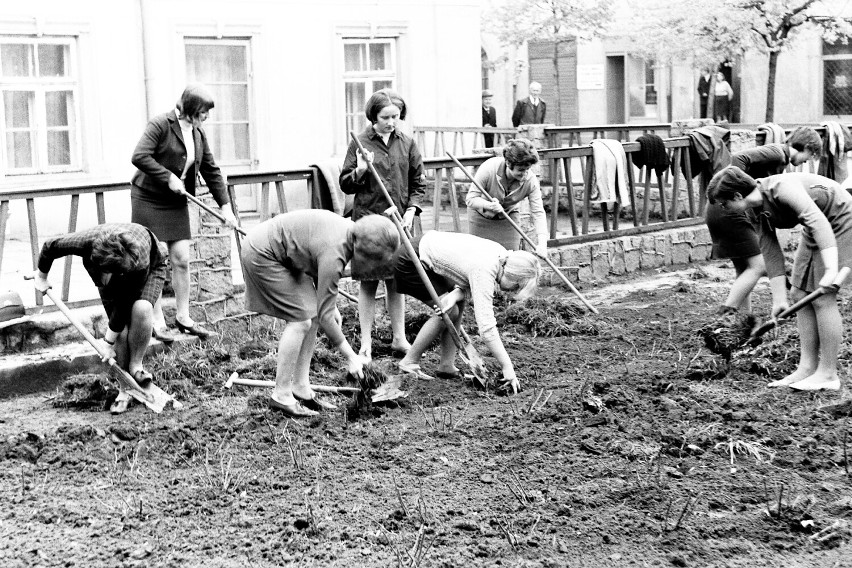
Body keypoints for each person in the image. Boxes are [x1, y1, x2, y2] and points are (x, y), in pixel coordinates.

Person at [240, 210, 399, 417]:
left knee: (312, 317)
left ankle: (300, 387)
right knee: (301, 322)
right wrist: (351, 357)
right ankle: (281, 395)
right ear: (361, 252)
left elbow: (316, 268)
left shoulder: (348, 233)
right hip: (263, 254)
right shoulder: (335, 252)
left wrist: (330, 306)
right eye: (374, 262)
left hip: (285, 254)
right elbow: (326, 317)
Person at [707, 167, 852, 391]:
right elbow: (769, 248)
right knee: (798, 293)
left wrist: (831, 269)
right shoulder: (752, 210)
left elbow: (817, 221)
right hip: (815, 227)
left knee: (823, 297)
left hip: (841, 218)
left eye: (724, 204)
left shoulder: (782, 188)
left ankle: (828, 374)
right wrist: (779, 300)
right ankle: (806, 368)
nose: (724, 209)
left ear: (737, 196)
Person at [130, 84, 237, 342]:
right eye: (203, 112)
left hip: (175, 201)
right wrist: (167, 176)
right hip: (149, 198)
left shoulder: (198, 133)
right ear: (189, 110)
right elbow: (139, 156)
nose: (206, 118)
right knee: (153, 262)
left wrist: (225, 208)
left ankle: (183, 316)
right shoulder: (161, 124)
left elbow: (210, 170)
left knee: (181, 259)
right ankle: (156, 320)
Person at [33, 223, 168, 414]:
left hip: (151, 267)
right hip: (108, 267)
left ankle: (136, 365)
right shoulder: (86, 242)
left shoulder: (139, 262)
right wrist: (41, 276)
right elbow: (50, 246)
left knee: (141, 308)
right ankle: (125, 387)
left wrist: (107, 342)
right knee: (120, 329)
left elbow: (122, 307)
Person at [340, 88, 427, 362]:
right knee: (368, 282)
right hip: (369, 222)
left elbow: (418, 182)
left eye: (396, 116)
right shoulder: (360, 142)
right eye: (386, 116)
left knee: (396, 281)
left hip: (399, 221)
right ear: (373, 116)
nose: (391, 122)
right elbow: (345, 183)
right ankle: (365, 343)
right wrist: (361, 170)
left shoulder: (408, 142)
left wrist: (412, 209)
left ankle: (399, 339)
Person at [395, 230, 539, 394]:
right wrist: (507, 366)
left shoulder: (502, 255)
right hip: (412, 260)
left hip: (424, 251)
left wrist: (456, 294)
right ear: (513, 276)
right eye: (516, 287)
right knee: (449, 312)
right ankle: (409, 362)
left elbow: (468, 281)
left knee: (456, 305)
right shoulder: (486, 268)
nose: (512, 292)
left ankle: (446, 365)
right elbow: (487, 329)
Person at [708, 127, 823, 312]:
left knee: (744, 268)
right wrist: (742, 188)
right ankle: (724, 316)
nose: (807, 160)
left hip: (722, 207)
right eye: (809, 155)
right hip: (731, 208)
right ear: (807, 146)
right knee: (760, 265)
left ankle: (743, 323)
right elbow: (737, 160)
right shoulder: (778, 153)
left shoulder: (780, 161)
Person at [465, 138, 548, 255]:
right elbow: (470, 199)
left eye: (527, 169)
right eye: (521, 170)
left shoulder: (531, 181)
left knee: (510, 259)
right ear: (508, 163)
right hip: (480, 217)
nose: (525, 174)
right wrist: (489, 206)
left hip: (508, 218)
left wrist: (542, 244)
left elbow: (538, 212)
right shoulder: (489, 168)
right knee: (480, 257)